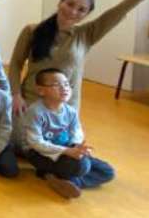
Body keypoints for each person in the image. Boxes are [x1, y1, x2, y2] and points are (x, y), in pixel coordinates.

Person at [8, 0, 149, 115]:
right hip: (30, 102)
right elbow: (15, 64)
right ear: (60, 2)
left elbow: (120, 10)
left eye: (81, 10)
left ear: (86, 15)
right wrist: (15, 95)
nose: (73, 11)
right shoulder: (31, 30)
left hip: (66, 108)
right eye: (70, 4)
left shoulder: (87, 34)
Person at [18, 68, 115, 199]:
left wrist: (76, 147)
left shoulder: (70, 111)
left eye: (66, 84)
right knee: (82, 166)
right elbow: (36, 143)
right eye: (56, 85)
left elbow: (77, 132)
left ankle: (62, 180)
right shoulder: (35, 112)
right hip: (39, 154)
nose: (64, 88)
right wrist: (67, 151)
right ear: (41, 90)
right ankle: (59, 176)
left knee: (107, 172)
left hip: (66, 151)